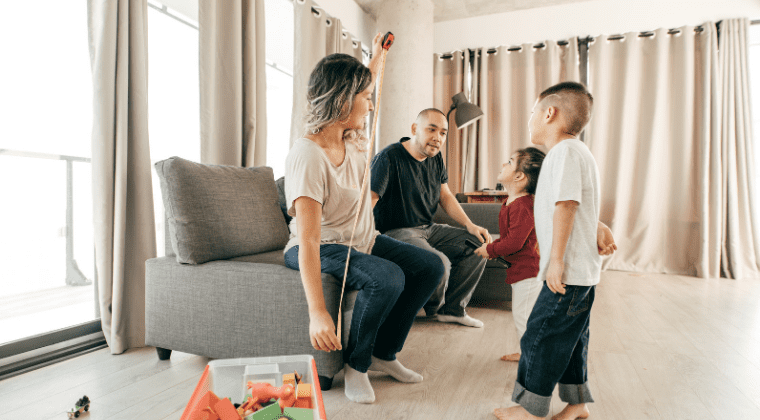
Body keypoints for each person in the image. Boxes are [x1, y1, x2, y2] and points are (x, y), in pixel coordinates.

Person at [283, 34, 444, 404]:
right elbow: (307, 240)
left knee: (430, 267)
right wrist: (317, 312)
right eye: (364, 99)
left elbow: (370, 86)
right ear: (341, 99)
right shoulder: (308, 156)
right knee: (387, 277)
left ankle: (383, 354)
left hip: (360, 239)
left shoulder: (352, 135)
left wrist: (379, 57)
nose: (371, 106)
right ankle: (356, 365)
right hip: (320, 245)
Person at [495, 82, 611, 420]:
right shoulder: (578, 152)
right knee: (572, 340)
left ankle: (529, 410)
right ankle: (577, 403)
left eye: (533, 112)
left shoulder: (564, 153)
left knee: (539, 336)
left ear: (550, 113)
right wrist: (599, 227)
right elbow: (580, 202)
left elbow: (567, 204)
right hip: (581, 273)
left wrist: (556, 260)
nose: (531, 119)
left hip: (568, 271)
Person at [370, 108, 493, 328]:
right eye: (432, 129)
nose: (438, 137)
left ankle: (453, 310)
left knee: (479, 243)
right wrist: (364, 237)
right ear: (415, 129)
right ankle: (433, 309)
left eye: (443, 133)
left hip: (429, 228)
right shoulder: (388, 157)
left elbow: (445, 195)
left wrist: (470, 225)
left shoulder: (435, 158)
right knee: (439, 263)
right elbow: (369, 201)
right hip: (397, 231)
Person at [472, 147, 545, 362]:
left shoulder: (523, 205)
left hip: (529, 271)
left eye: (510, 162)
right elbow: (513, 238)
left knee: (523, 316)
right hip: (521, 271)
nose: (504, 164)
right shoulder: (512, 202)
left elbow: (514, 242)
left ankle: (531, 356)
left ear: (519, 176)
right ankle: (529, 352)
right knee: (524, 315)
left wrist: (491, 250)